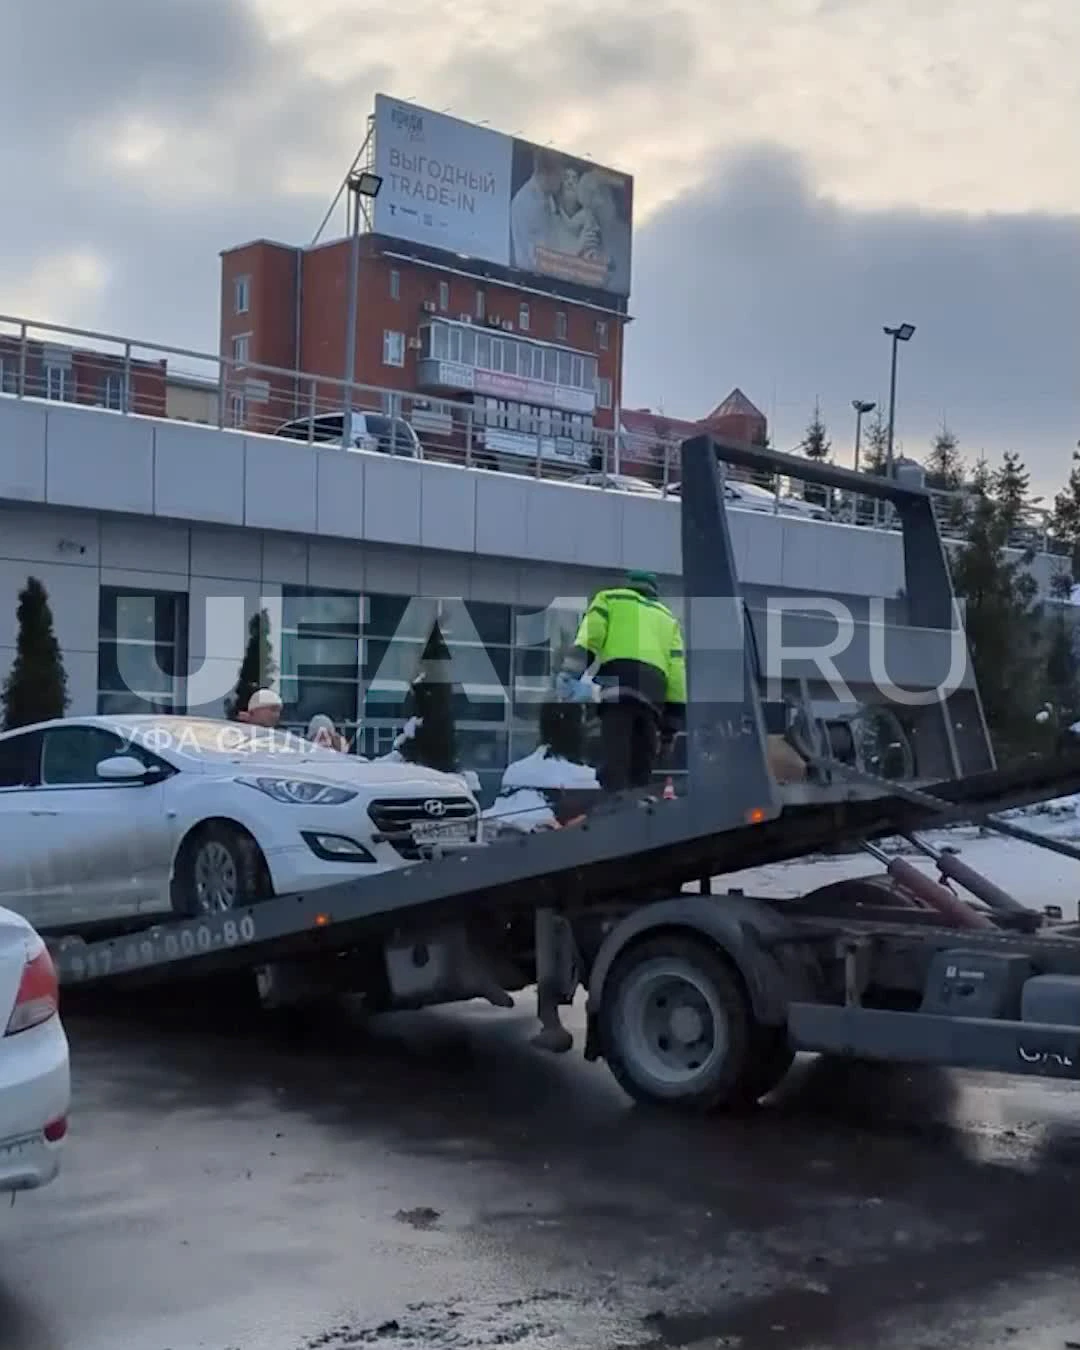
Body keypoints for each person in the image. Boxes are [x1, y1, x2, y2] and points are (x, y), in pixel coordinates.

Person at [556, 570, 686, 793]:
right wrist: (670, 728)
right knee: (641, 757)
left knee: (616, 751)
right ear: (654, 591)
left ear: (630, 584)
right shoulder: (668, 618)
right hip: (653, 691)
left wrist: (570, 672)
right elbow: (677, 673)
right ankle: (640, 803)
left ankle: (614, 802)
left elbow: (591, 637)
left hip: (619, 680)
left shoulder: (610, 599)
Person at [509, 147, 563, 273]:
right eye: (560, 175)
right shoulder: (527, 204)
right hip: (531, 280)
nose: (562, 181)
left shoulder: (547, 197)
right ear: (547, 174)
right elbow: (540, 260)